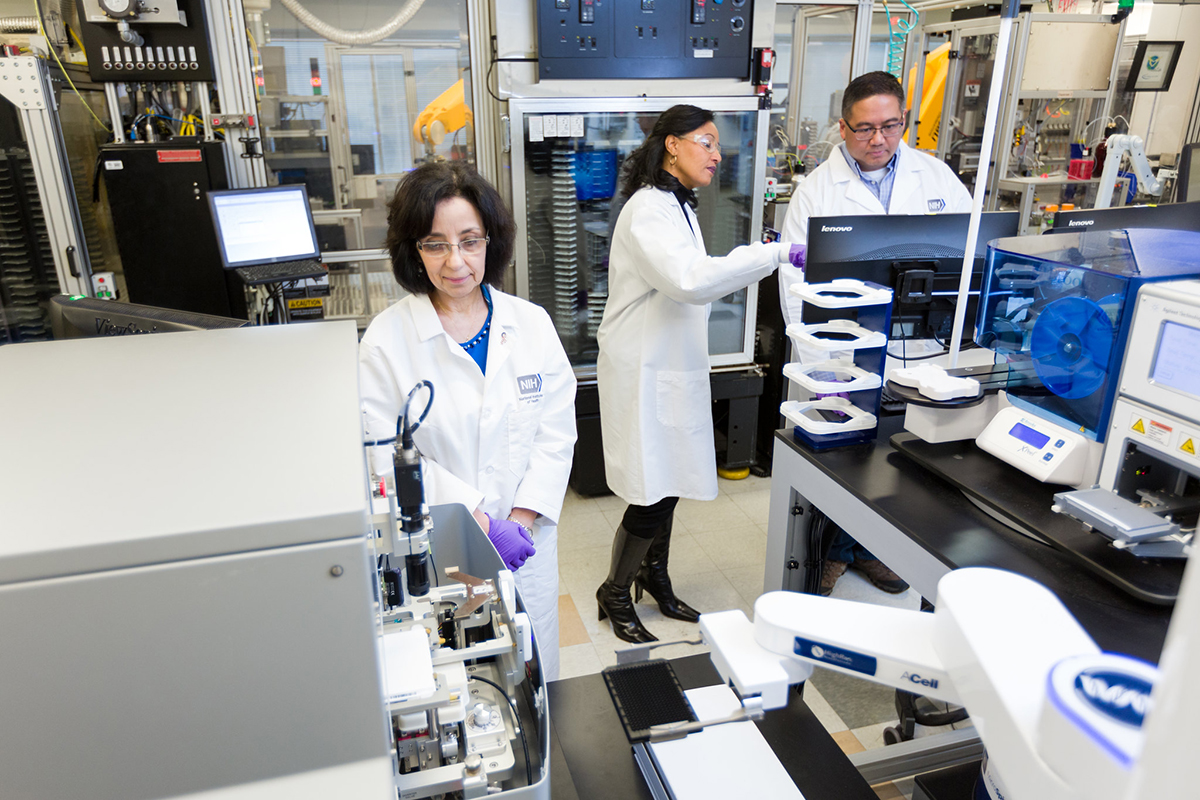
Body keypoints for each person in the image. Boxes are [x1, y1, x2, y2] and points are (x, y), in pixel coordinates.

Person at [359, 162, 577, 681]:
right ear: (413, 250)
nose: (455, 261)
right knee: (457, 682)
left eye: (469, 240)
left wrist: (519, 523)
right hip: (444, 543)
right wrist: (479, 521)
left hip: (526, 546)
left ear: (491, 242)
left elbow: (556, 432)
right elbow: (383, 453)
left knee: (531, 671)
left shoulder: (531, 324)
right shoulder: (386, 342)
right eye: (435, 244)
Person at [596, 104, 805, 643]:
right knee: (650, 487)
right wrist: (774, 253)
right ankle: (614, 593)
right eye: (707, 142)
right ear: (671, 144)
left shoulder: (678, 206)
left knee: (668, 481)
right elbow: (691, 279)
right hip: (644, 367)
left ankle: (653, 575)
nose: (717, 155)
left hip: (673, 362)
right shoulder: (648, 210)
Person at [779, 71, 972, 596]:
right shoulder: (817, 191)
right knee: (845, 456)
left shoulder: (935, 178)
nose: (878, 140)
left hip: (919, 346)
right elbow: (794, 284)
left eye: (890, 126)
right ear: (843, 128)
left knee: (900, 456)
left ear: (904, 122)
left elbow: (970, 254)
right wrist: (821, 361)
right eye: (864, 129)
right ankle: (829, 555)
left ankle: (873, 551)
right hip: (844, 351)